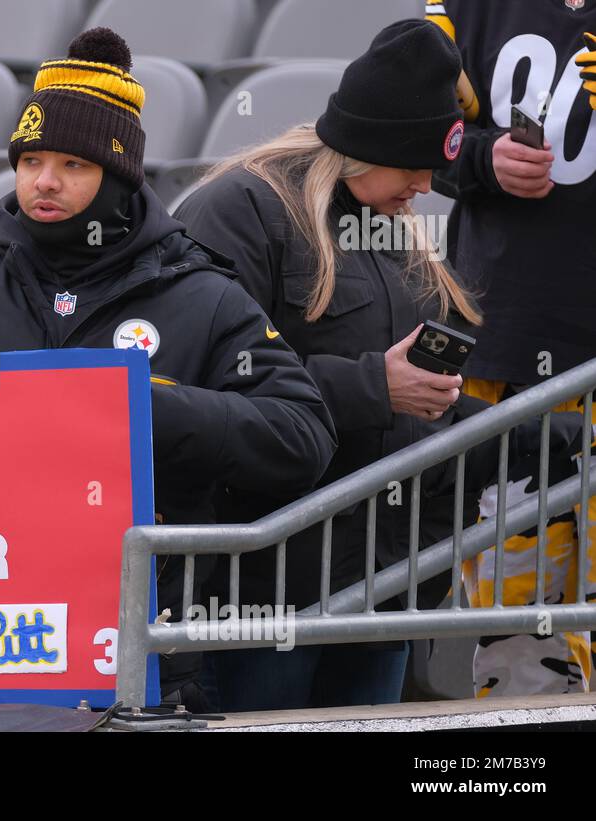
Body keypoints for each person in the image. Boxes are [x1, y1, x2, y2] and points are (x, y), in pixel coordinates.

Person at [0, 27, 339, 703]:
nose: (45, 181)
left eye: (73, 164)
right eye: (30, 160)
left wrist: (148, 407)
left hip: (139, 660)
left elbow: (303, 435)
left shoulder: (201, 295)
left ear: (119, 177)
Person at [175, 19, 588, 710]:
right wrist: (371, 385)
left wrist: (550, 439)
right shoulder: (244, 209)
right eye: (416, 165)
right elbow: (210, 388)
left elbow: (424, 415)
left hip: (383, 595)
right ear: (374, 146)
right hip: (268, 602)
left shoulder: (396, 234)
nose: (427, 186)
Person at [427, 0, 596, 697]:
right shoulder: (466, 5)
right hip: (505, 350)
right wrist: (481, 159)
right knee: (518, 639)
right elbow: (409, 136)